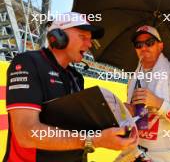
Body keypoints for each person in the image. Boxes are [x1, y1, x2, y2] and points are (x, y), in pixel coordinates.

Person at [4, 12, 137, 162]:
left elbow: (76, 127)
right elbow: (26, 133)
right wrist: (93, 141)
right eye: (83, 37)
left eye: (90, 39)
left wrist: (119, 113)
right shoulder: (28, 62)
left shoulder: (76, 77)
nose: (89, 44)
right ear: (58, 37)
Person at [125, 25, 170, 162]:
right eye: (138, 44)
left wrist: (159, 104)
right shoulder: (133, 79)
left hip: (163, 157)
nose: (144, 48)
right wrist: (127, 111)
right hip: (132, 152)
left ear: (160, 46)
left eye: (150, 43)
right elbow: (134, 120)